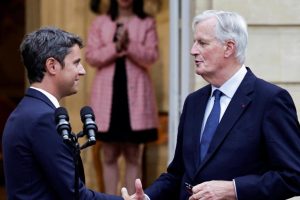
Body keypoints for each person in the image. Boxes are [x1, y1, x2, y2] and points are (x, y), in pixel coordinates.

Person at [121, 10, 300, 200]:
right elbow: (179, 174)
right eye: (194, 42)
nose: (193, 50)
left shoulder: (270, 100)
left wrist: (233, 189)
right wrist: (147, 197)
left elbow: (293, 176)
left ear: (229, 48)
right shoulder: (193, 102)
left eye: (202, 43)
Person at [2, 26, 127, 200]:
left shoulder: (28, 110)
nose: (82, 71)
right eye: (76, 63)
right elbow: (75, 195)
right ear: (52, 66)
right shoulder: (42, 119)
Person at [85, 0, 159, 195]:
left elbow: (151, 56)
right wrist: (115, 47)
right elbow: (91, 56)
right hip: (107, 97)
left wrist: (129, 44)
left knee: (133, 154)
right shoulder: (100, 22)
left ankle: (134, 198)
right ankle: (110, 198)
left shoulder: (146, 22)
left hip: (135, 97)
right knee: (108, 153)